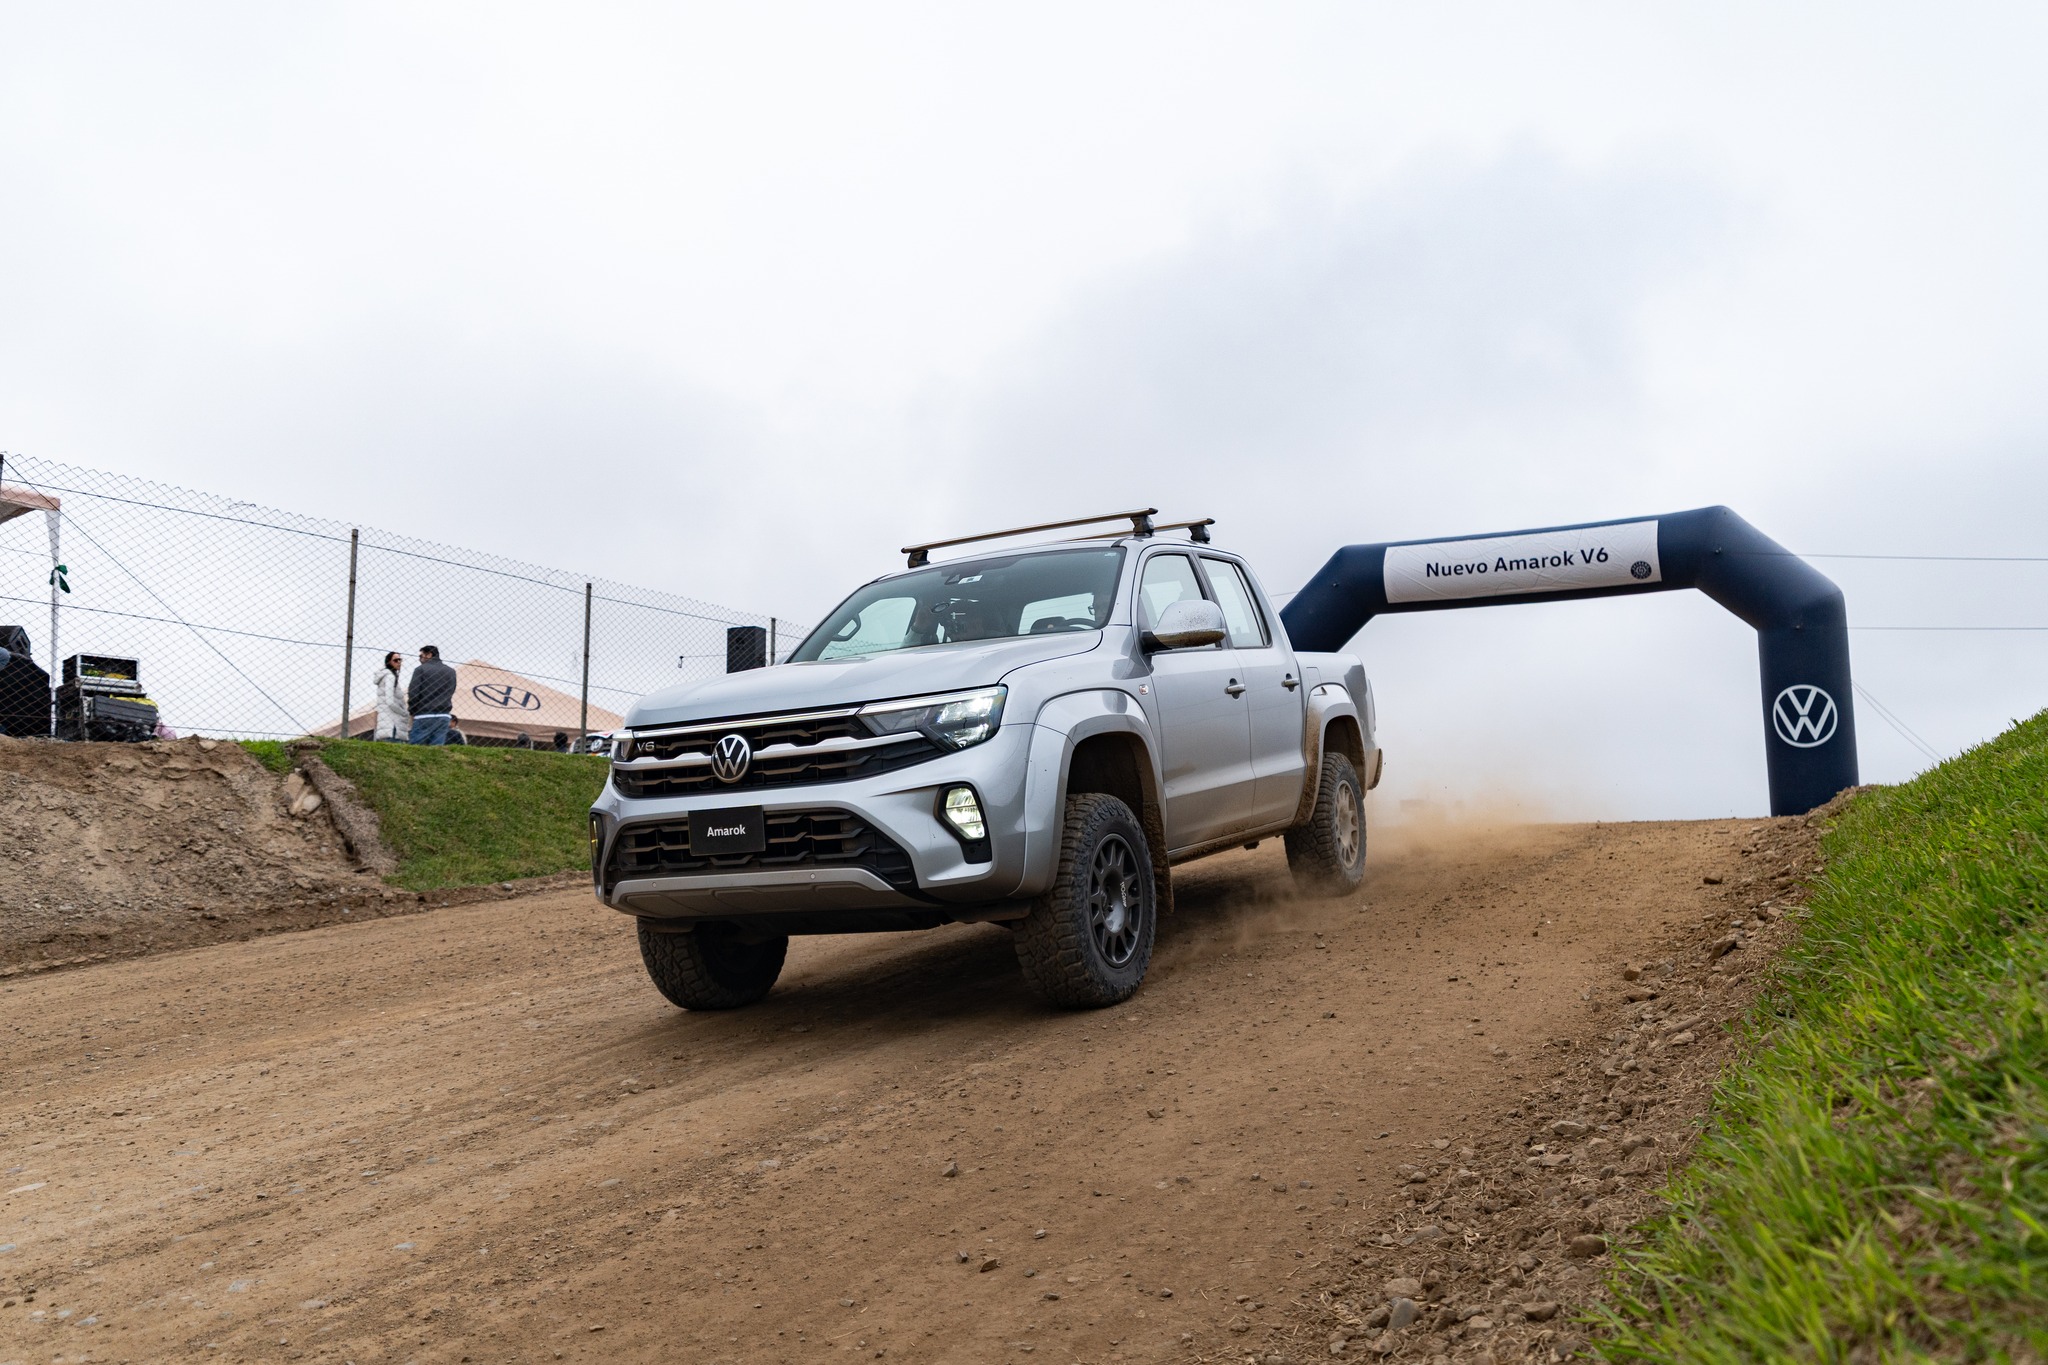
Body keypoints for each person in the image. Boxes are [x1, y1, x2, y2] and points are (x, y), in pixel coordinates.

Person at [406, 646, 458, 745]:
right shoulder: (451, 672)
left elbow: (413, 692)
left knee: (416, 749)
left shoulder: (420, 670)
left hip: (424, 713)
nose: (419, 659)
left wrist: (412, 710)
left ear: (429, 654)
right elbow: (451, 690)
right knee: (436, 750)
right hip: (444, 714)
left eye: (421, 656)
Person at [372, 651, 410, 741]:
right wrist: (404, 713)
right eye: (396, 660)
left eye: (400, 660)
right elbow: (390, 701)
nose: (399, 662)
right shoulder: (390, 677)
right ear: (389, 662)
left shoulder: (387, 676)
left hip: (387, 721)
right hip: (392, 723)